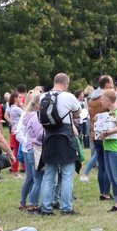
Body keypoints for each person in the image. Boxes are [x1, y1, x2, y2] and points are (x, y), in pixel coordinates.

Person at [38, 73, 81, 216]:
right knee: (67, 174)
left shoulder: (43, 96)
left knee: (49, 175)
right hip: (65, 138)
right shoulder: (68, 96)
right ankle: (66, 208)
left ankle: (46, 208)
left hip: (49, 137)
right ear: (66, 84)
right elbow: (77, 113)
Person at [86, 75, 114, 200]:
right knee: (107, 164)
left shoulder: (91, 98)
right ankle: (107, 193)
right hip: (107, 132)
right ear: (107, 84)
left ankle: (103, 192)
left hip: (95, 132)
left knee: (101, 163)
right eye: (111, 82)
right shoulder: (107, 97)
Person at [19, 92, 45, 212]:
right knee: (38, 180)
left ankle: (31, 203)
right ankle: (33, 204)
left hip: (31, 149)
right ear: (37, 105)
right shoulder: (36, 117)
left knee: (36, 179)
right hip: (36, 150)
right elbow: (40, 135)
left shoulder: (30, 116)